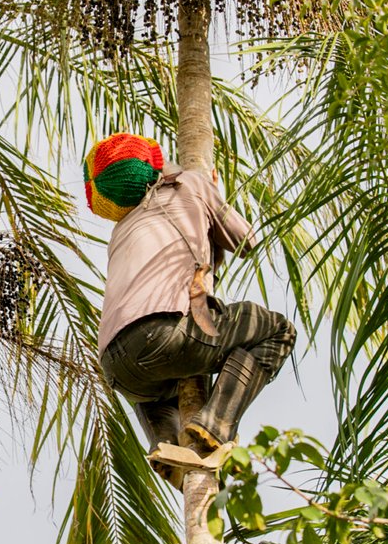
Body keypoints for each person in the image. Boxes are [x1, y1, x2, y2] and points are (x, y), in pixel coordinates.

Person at [85, 133, 296, 473]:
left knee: (159, 386)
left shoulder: (122, 229)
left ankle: (165, 445)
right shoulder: (187, 182)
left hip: (116, 366)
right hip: (166, 335)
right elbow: (246, 240)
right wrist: (210, 192)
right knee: (277, 330)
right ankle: (214, 428)